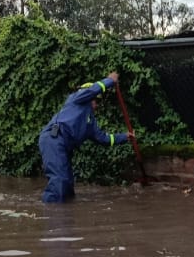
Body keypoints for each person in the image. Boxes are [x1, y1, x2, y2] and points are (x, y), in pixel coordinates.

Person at [38, 72, 131, 203]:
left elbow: (103, 138)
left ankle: (65, 211)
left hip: (63, 146)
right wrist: (110, 80)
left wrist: (125, 137)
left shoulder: (90, 122)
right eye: (95, 100)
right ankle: (54, 213)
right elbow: (93, 90)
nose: (96, 104)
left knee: (68, 184)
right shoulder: (76, 99)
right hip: (54, 139)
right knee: (59, 180)